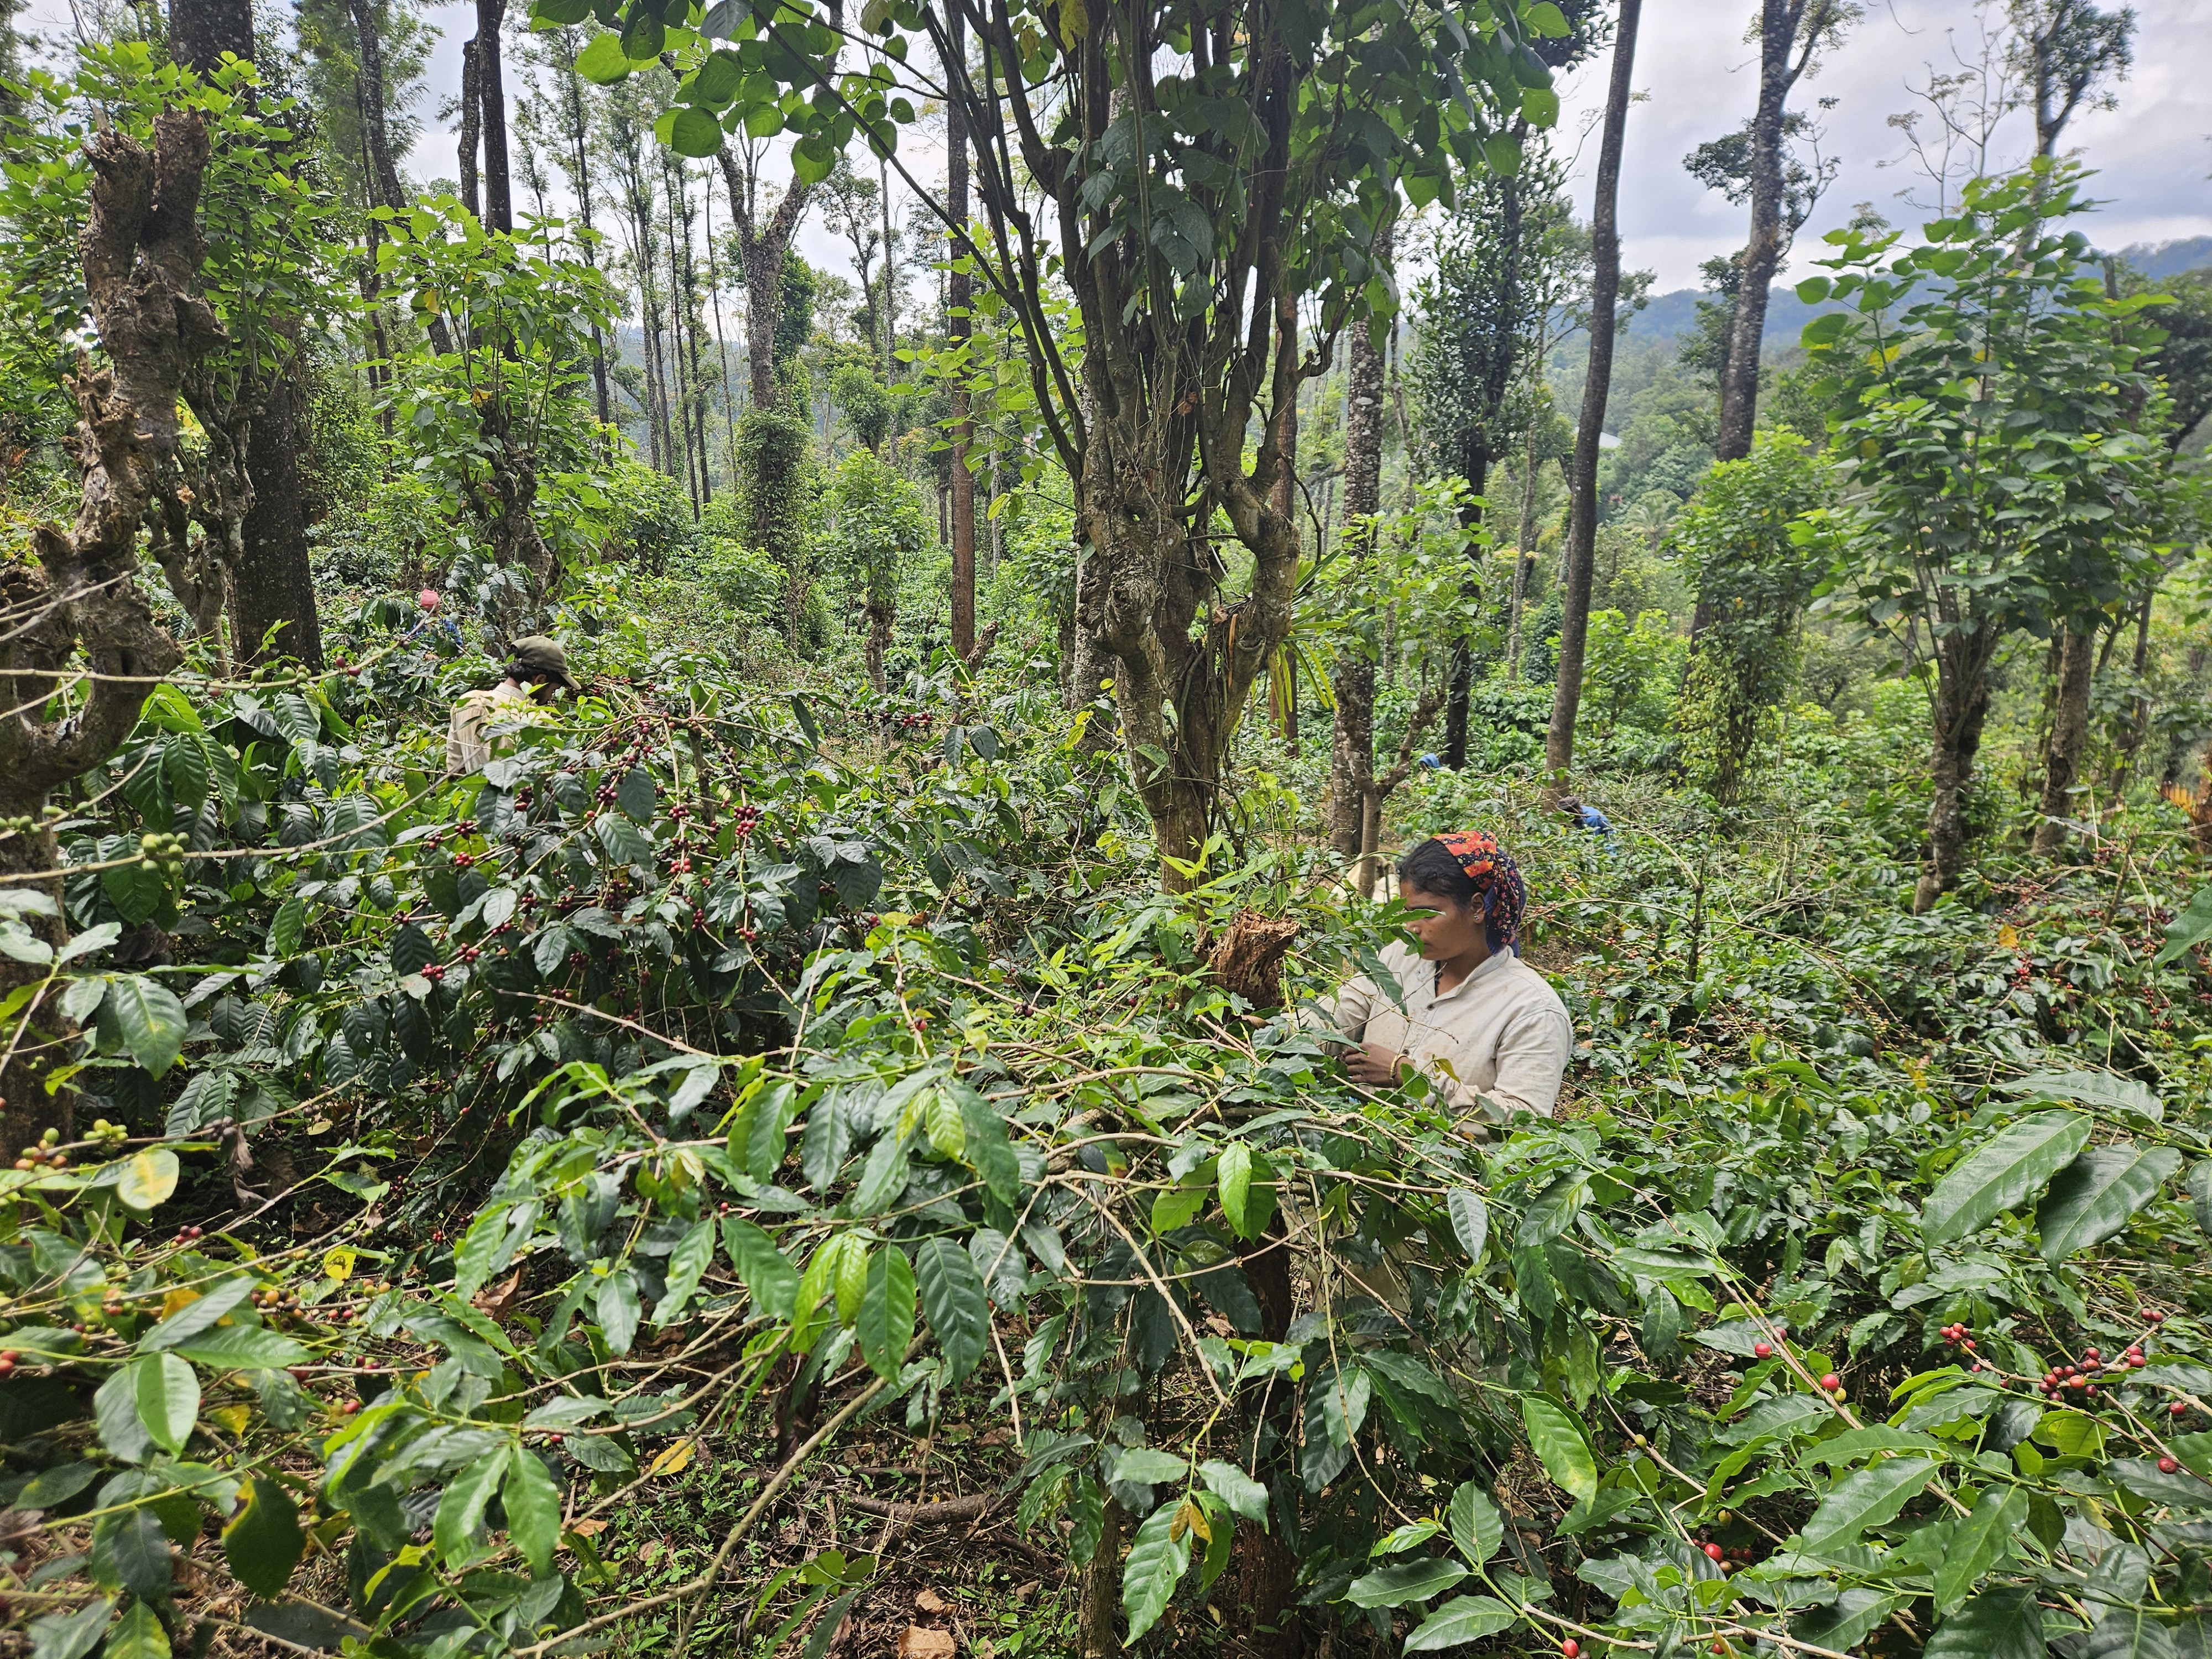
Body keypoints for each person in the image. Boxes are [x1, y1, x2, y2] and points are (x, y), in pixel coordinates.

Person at [1316, 831, 1573, 1126]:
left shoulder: (1533, 1010)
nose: (1411, 927)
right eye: (1409, 912)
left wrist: (1408, 1075)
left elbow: (1524, 1122)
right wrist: (1273, 1032)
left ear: (1477, 908)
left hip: (1446, 1166)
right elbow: (1336, 1017)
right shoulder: (1400, 957)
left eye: (1428, 914)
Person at [446, 636, 578, 775]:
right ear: (540, 680)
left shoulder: (467, 702)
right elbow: (551, 778)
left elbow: (456, 770)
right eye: (553, 690)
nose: (550, 697)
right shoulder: (539, 722)